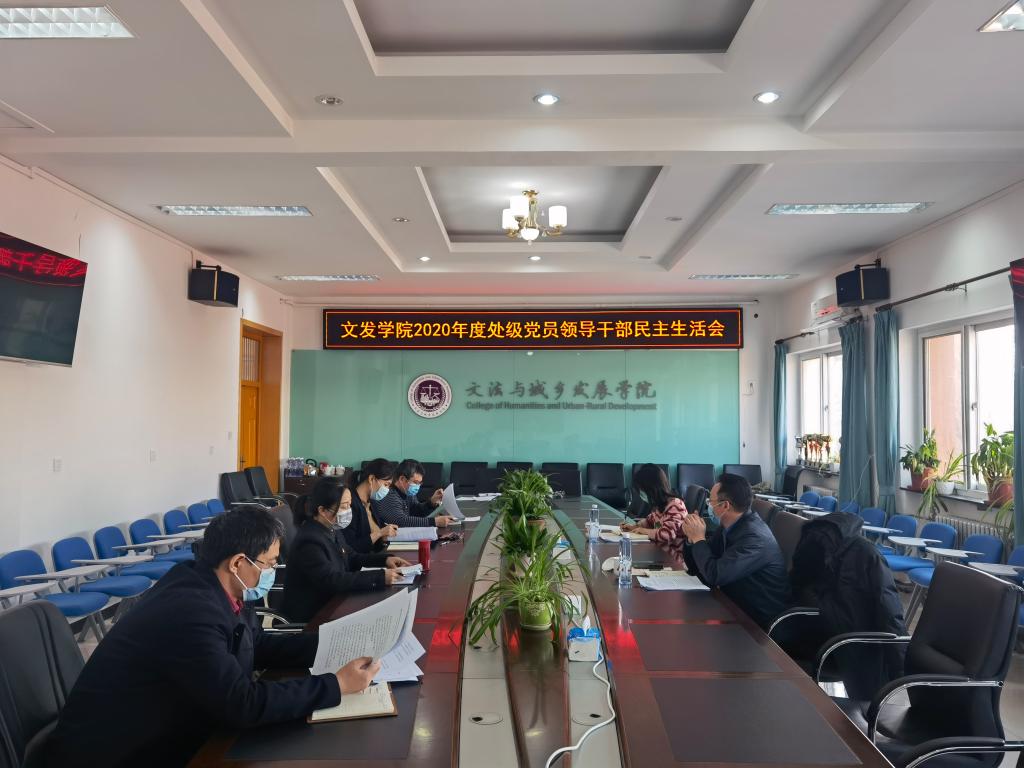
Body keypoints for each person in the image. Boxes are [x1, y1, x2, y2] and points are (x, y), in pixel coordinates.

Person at [42, 508, 381, 768]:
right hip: (120, 753)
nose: (272, 572)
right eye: (269, 564)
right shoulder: (190, 612)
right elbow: (242, 704)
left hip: (170, 727)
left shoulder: (220, 587)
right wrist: (335, 685)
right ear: (238, 563)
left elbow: (256, 644)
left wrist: (333, 643)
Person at [283, 477, 412, 623]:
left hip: (335, 603)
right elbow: (333, 580)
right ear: (323, 510)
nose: (348, 511)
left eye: (349, 505)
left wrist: (385, 560)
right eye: (344, 506)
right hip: (314, 615)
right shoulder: (310, 541)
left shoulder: (331, 528)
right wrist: (380, 577)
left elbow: (352, 557)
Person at [680, 473, 791, 629]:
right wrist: (691, 538)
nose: (708, 506)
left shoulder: (754, 538)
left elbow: (715, 575)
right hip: (732, 605)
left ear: (725, 506)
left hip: (757, 621)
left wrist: (699, 538)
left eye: (710, 502)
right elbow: (699, 566)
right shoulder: (729, 526)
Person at [620, 463, 688, 547]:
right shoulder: (659, 506)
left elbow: (667, 534)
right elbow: (649, 521)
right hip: (660, 549)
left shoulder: (676, 506)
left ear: (652, 490)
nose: (640, 495)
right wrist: (634, 527)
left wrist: (643, 531)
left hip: (672, 552)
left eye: (642, 491)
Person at [374, 458, 456, 529]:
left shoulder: (407, 493)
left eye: (420, 483)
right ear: (402, 479)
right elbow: (401, 521)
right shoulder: (389, 494)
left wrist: (431, 502)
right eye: (416, 482)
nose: (417, 486)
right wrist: (434, 522)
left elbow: (417, 512)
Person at [343, 458, 399, 554]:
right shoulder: (349, 504)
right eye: (386, 484)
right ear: (371, 479)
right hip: (361, 560)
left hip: (375, 556)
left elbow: (379, 535)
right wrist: (380, 533)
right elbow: (351, 547)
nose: (388, 489)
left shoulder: (371, 503)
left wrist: (384, 535)